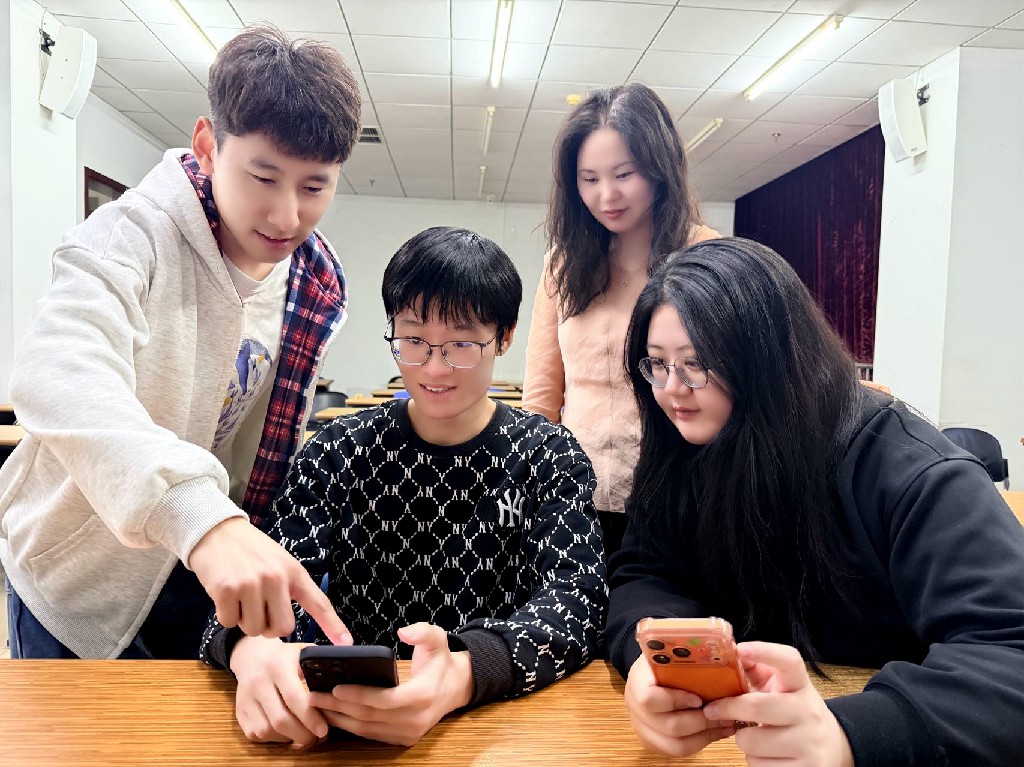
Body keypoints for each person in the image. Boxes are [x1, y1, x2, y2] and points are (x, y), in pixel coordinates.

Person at [0, 26, 362, 660]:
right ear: (207, 146)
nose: (287, 217)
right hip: (80, 575)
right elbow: (57, 372)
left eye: (314, 187)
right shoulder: (129, 234)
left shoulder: (313, 279)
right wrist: (198, 514)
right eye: (263, 176)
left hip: (204, 573)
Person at [607, 237, 1024, 766]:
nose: (672, 389)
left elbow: (1008, 650)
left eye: (697, 363)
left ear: (769, 359)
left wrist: (852, 736)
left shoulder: (909, 470)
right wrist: (653, 660)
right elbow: (644, 571)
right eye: (657, 364)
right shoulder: (681, 447)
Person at [200, 226, 607, 748]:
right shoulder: (338, 452)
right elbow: (255, 583)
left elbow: (577, 600)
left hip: (497, 722)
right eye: (413, 341)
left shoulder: (547, 456)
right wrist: (251, 648)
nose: (435, 368)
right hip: (349, 720)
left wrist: (468, 670)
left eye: (461, 344)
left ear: (504, 337)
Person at [523, 82, 719, 561]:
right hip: (577, 496)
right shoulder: (562, 267)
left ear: (659, 167)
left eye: (624, 174)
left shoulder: (705, 254)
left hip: (675, 495)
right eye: (589, 179)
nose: (606, 195)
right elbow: (542, 394)